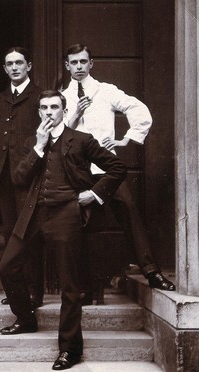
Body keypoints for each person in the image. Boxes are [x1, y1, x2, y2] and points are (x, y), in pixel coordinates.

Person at [0, 91, 126, 370]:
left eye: (54, 107)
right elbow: (19, 179)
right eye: (43, 107)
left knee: (70, 284)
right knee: (7, 267)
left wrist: (94, 194)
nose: (48, 112)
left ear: (64, 111)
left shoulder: (80, 140)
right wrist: (39, 147)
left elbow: (116, 167)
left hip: (66, 214)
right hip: (34, 214)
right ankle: (26, 318)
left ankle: (70, 349)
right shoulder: (33, 142)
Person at [62, 43, 176, 292]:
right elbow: (58, 133)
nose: (79, 67)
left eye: (83, 61)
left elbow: (138, 109)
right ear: (67, 65)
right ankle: (84, 287)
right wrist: (74, 115)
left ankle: (151, 272)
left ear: (91, 64)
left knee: (129, 210)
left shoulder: (105, 91)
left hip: (107, 169)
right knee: (80, 226)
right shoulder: (63, 97)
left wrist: (127, 138)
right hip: (79, 171)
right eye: (74, 62)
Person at [0, 47, 45, 308]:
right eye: (9, 63)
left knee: (29, 235)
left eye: (19, 63)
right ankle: (17, 290)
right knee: (10, 233)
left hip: (28, 175)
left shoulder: (38, 97)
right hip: (4, 176)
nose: (14, 67)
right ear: (4, 69)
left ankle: (35, 291)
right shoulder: (0, 99)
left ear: (29, 66)